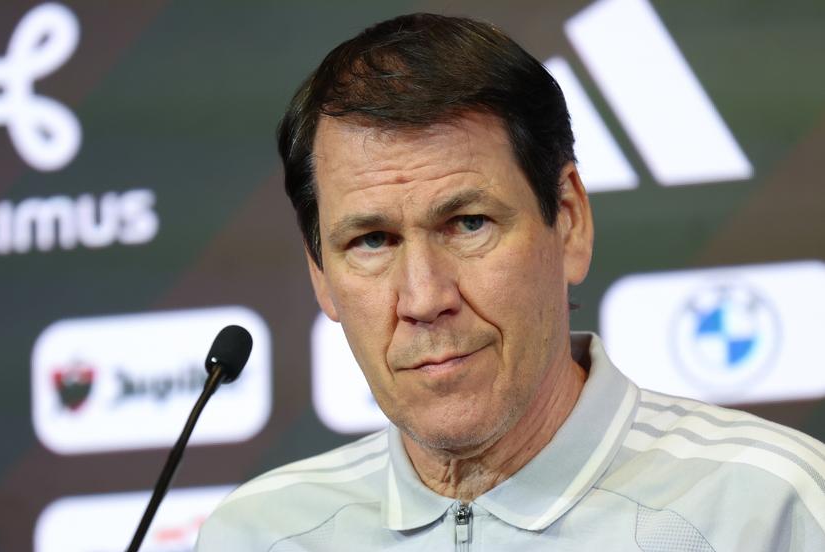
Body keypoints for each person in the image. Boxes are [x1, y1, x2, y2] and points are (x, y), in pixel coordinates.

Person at [197, 13, 825, 551]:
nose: (424, 298)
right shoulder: (256, 536)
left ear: (570, 222)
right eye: (372, 241)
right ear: (321, 277)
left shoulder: (768, 509)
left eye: (468, 223)